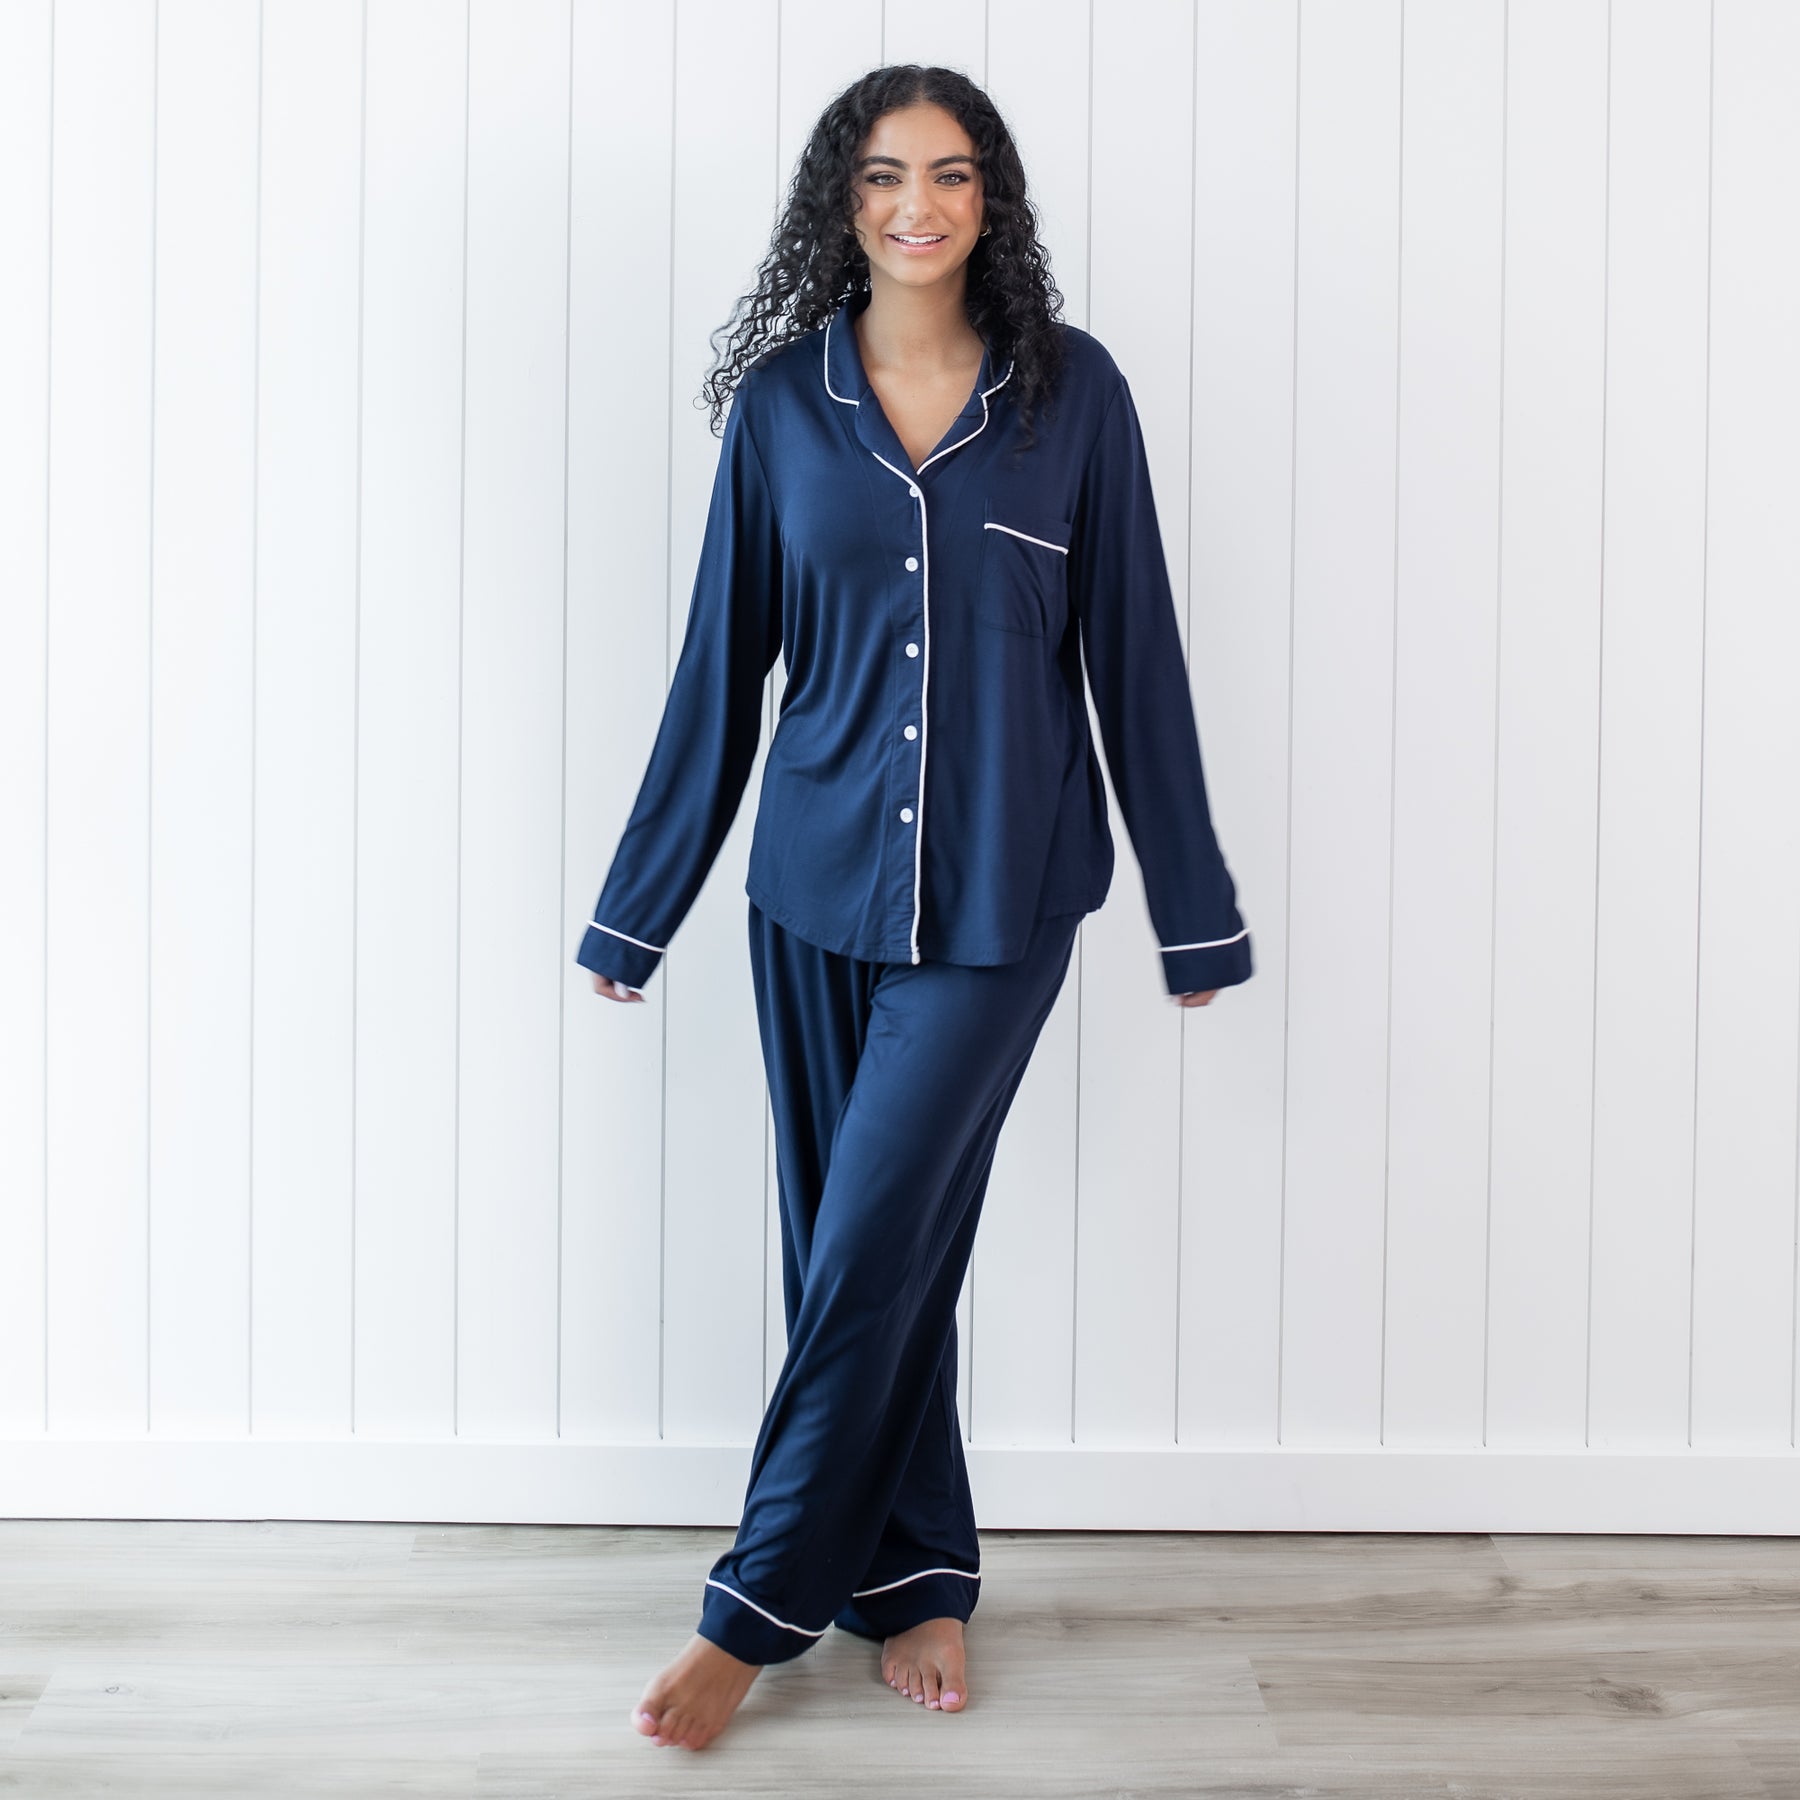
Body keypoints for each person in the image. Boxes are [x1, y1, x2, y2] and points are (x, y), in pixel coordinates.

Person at [575, 65, 1254, 1752]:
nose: (919, 206)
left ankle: (757, 1606)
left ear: (989, 201)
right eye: (885, 176)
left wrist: (1196, 913)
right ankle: (920, 1569)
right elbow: (719, 675)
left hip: (1009, 898)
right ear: (844, 201)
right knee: (862, 1250)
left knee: (871, 1240)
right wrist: (636, 910)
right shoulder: (784, 413)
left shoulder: (1073, 401)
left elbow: (1138, 665)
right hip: (806, 890)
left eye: (952, 176)